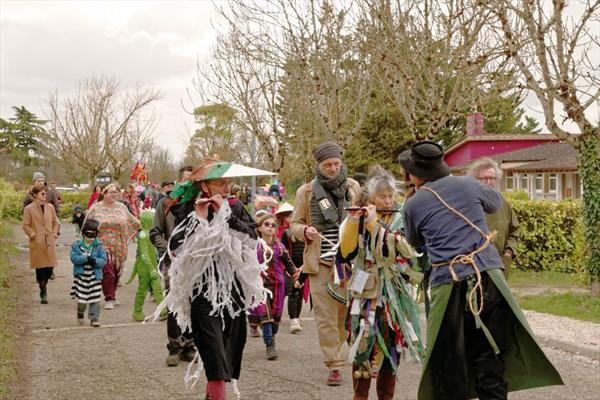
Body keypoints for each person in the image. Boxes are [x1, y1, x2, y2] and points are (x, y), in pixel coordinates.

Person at [398, 141, 563, 400]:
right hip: (489, 277)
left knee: (449, 360)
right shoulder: (468, 183)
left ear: (416, 174)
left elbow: (416, 243)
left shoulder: (414, 204)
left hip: (449, 281)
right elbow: (494, 204)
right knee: (491, 353)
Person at [153, 158, 269, 400]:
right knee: (211, 346)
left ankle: (212, 393)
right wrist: (198, 219)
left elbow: (252, 241)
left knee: (230, 347)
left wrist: (227, 217)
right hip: (202, 290)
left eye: (228, 183)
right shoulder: (185, 210)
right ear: (205, 186)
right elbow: (175, 249)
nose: (227, 188)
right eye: (220, 183)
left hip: (233, 289)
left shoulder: (235, 207)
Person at [339, 166, 424, 400]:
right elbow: (346, 252)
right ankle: (360, 395)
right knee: (361, 343)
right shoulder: (360, 217)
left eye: (390, 195)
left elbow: (400, 250)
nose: (388, 200)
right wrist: (353, 221)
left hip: (393, 296)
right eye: (382, 196)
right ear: (370, 199)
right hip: (364, 293)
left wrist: (375, 226)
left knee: (391, 346)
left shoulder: (401, 218)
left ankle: (386, 396)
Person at [290, 141, 361, 386]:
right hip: (319, 262)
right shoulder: (306, 191)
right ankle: (334, 363)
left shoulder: (353, 187)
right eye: (327, 164)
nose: (332, 168)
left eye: (336, 163)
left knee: (345, 313)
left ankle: (339, 347)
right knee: (325, 317)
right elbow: (293, 225)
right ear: (318, 165)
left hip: (348, 261)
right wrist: (304, 231)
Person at [150, 166, 196, 367]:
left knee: (194, 304)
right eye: (186, 180)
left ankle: (190, 346)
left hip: (195, 262)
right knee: (174, 303)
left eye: (192, 180)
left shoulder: (198, 202)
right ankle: (175, 348)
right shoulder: (165, 203)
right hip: (173, 261)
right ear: (179, 181)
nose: (189, 184)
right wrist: (169, 250)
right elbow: (155, 232)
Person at [249, 212, 299, 359]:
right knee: (266, 317)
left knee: (275, 318)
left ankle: (272, 339)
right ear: (259, 228)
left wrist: (297, 278)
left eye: (273, 225)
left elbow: (290, 266)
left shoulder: (280, 247)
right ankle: (269, 345)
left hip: (278, 287)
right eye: (266, 224)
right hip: (260, 287)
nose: (270, 227)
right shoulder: (254, 246)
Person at [86, 183, 140, 310]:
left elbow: (134, 221)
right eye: (111, 192)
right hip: (101, 246)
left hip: (119, 246)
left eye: (116, 192)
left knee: (116, 273)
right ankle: (109, 298)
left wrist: (143, 228)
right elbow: (86, 224)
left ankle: (113, 295)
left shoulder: (121, 207)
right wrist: (88, 241)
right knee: (108, 272)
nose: (114, 194)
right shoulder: (95, 208)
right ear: (104, 193)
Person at [467, 157, 520, 279]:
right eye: (484, 178)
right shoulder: (466, 204)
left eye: (492, 178)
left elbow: (514, 230)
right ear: (474, 180)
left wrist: (509, 252)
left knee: (499, 298)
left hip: (500, 265)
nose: (489, 182)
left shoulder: (503, 204)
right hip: (472, 266)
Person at [126, 209, 165, 321]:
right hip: (144, 267)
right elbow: (144, 254)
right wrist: (151, 269)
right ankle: (137, 312)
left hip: (152, 266)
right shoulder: (143, 234)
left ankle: (162, 311)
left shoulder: (150, 233)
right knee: (142, 290)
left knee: (157, 289)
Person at [22, 185, 59, 304]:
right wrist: (32, 234)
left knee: (49, 269)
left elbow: (55, 222)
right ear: (35, 195)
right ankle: (43, 291)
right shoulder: (29, 209)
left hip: (50, 242)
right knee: (40, 270)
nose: (45, 196)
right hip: (37, 243)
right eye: (42, 193)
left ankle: (44, 283)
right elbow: (26, 225)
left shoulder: (51, 207)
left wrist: (54, 233)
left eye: (46, 193)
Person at [69, 219, 107, 327]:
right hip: (81, 278)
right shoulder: (76, 246)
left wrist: (94, 261)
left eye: (93, 234)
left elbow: (104, 260)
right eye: (88, 234)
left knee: (95, 299)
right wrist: (86, 258)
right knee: (82, 300)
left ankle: (94, 318)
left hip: (95, 277)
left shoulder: (99, 246)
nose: (90, 237)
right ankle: (80, 312)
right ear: (83, 233)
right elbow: (74, 258)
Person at [277, 202, 306, 334]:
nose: (290, 219)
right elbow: (283, 252)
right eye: (287, 216)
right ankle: (293, 319)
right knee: (293, 292)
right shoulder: (286, 233)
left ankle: (297, 317)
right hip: (289, 269)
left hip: (304, 268)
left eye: (292, 216)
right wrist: (290, 269)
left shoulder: (304, 231)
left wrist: (304, 267)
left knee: (299, 294)